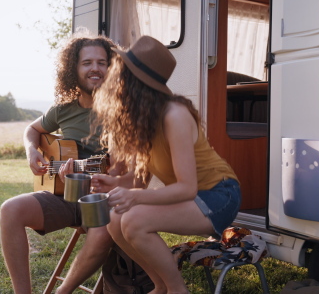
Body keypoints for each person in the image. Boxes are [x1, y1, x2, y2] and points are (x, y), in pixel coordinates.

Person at [91, 35, 242, 294]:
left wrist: (135, 198)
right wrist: (115, 183)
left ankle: (176, 290)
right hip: (193, 196)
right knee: (115, 219)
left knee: (134, 220)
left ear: (136, 83)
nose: (114, 80)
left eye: (121, 75)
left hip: (220, 195)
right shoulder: (143, 119)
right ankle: (159, 285)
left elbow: (186, 189)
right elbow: (139, 182)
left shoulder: (175, 116)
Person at [0, 35, 130, 294]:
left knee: (104, 231)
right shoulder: (63, 109)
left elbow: (124, 168)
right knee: (10, 210)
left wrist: (100, 173)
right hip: (65, 195)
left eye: (102, 62)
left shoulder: (123, 110)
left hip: (105, 199)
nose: (95, 68)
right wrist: (31, 151)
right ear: (73, 69)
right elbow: (32, 129)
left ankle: (63, 291)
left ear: (112, 68)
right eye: (87, 62)